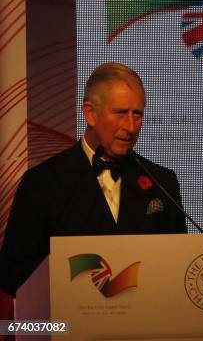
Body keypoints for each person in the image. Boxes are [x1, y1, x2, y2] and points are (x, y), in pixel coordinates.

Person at [0, 62, 187, 297]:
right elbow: (14, 276)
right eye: (120, 113)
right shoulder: (41, 183)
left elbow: (179, 267)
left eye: (137, 114)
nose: (130, 127)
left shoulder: (162, 182)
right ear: (90, 113)